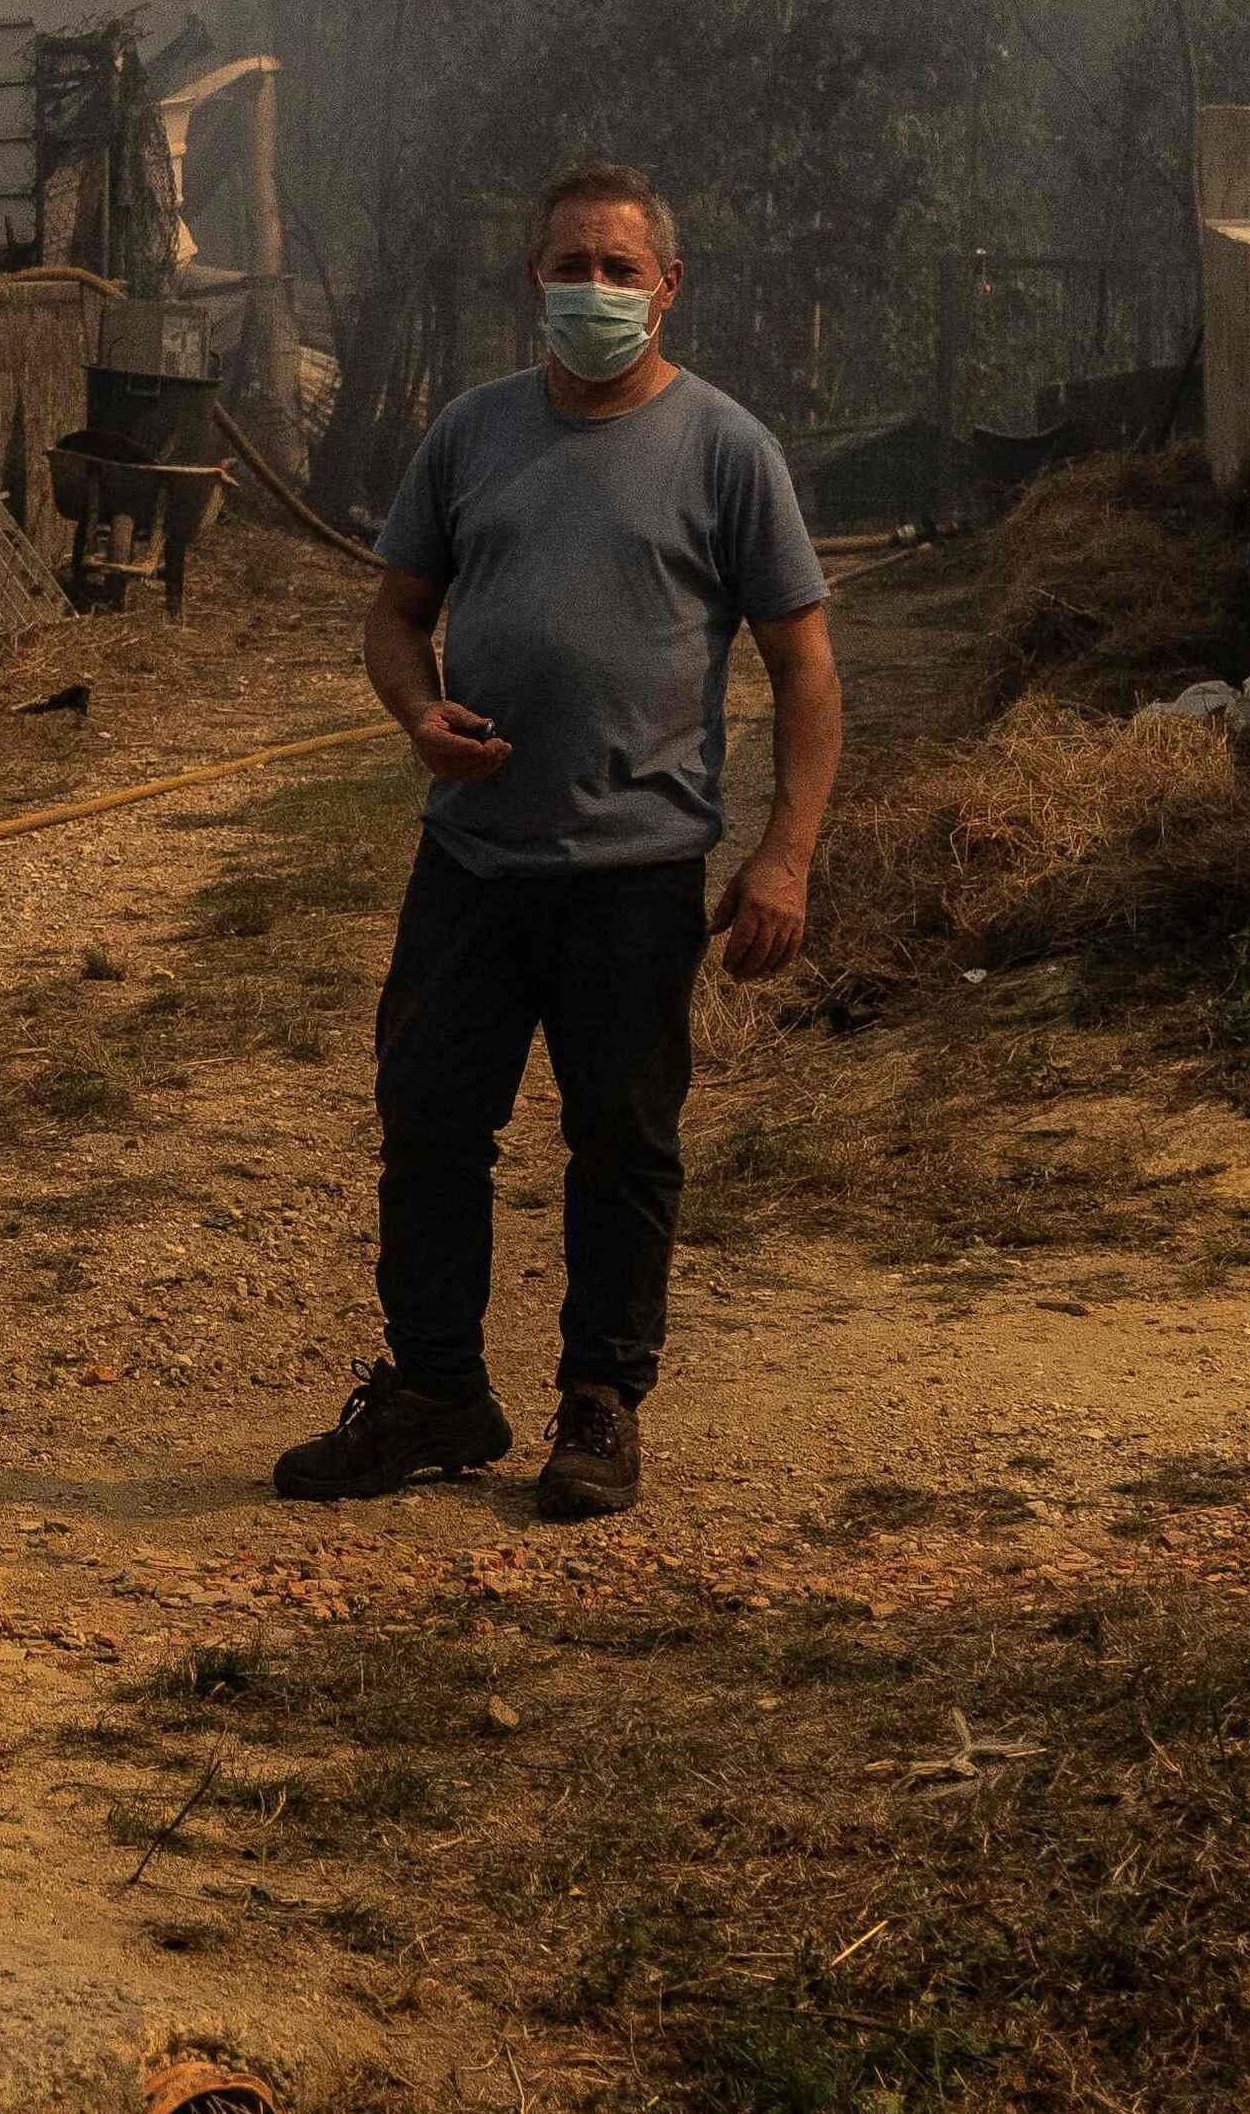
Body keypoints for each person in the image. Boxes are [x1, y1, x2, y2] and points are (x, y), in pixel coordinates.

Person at [273, 163, 841, 1526]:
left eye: (619, 268)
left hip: (636, 877)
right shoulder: (471, 436)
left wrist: (784, 858)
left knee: (621, 1143)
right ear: (531, 281)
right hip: (469, 865)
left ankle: (599, 1405)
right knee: (427, 1127)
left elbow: (807, 677)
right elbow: (395, 615)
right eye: (569, 266)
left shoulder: (725, 450)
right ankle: (435, 1394)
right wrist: (417, 714)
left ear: (669, 286)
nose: (593, 290)